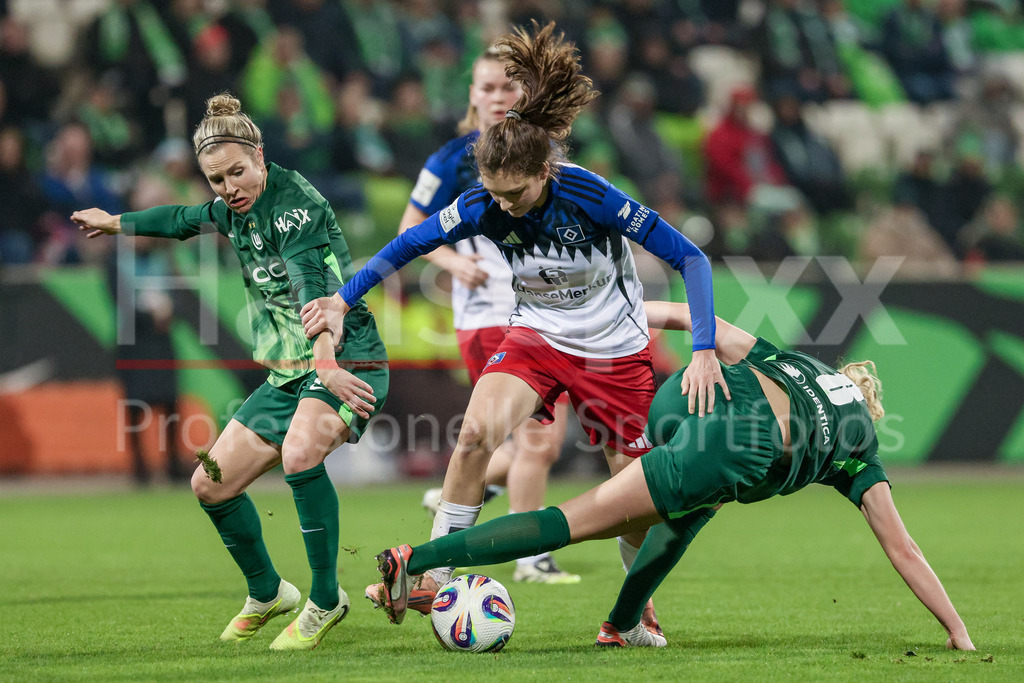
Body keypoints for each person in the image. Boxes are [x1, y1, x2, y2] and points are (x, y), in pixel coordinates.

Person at [300, 21, 726, 626]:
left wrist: (704, 349)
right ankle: (434, 576)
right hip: (536, 337)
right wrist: (343, 301)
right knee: (475, 435)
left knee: (632, 495)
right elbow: (407, 244)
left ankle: (634, 616)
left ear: (544, 171)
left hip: (614, 350)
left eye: (516, 194)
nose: (504, 206)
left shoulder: (592, 195)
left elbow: (692, 258)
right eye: (494, 194)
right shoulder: (481, 203)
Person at [370, 302, 976, 653]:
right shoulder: (861, 448)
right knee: (575, 521)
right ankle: (416, 558)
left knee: (685, 517)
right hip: (734, 446)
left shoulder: (801, 365)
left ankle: (623, 624)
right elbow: (904, 548)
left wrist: (611, 316)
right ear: (868, 405)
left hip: (687, 396)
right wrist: (957, 630)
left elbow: (691, 315)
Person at [70, 93, 389, 651]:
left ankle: (324, 598)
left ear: (260, 156)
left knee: (300, 455)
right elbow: (181, 219)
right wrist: (116, 223)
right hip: (289, 372)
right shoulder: (231, 209)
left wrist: (327, 365)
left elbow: (310, 287)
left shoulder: (293, 206)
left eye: (237, 172)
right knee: (209, 484)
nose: (228, 188)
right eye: (216, 179)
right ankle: (268, 592)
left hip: (345, 358)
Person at [399, 46, 578, 585]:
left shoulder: (541, 151)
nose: (498, 97)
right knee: (538, 442)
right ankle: (531, 558)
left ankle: (452, 495)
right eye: (487, 87)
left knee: (529, 443)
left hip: (544, 313)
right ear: (472, 96)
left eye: (507, 86)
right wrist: (453, 261)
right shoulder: (452, 159)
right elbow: (410, 227)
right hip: (487, 317)